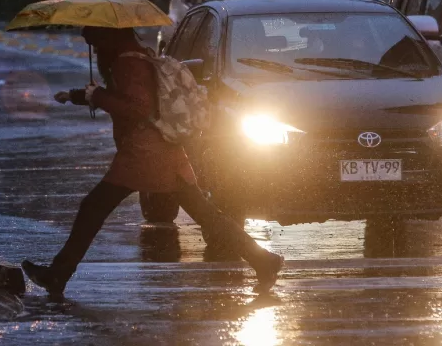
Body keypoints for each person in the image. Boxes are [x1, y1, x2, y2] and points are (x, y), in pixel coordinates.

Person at [21, 26, 283, 295]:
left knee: (93, 207)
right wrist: (79, 96)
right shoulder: (137, 57)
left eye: (97, 43)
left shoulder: (128, 63)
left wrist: (96, 96)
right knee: (206, 215)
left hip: (146, 153)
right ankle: (264, 261)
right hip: (162, 150)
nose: (95, 49)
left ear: (109, 40)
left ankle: (58, 274)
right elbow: (128, 98)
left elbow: (138, 107)